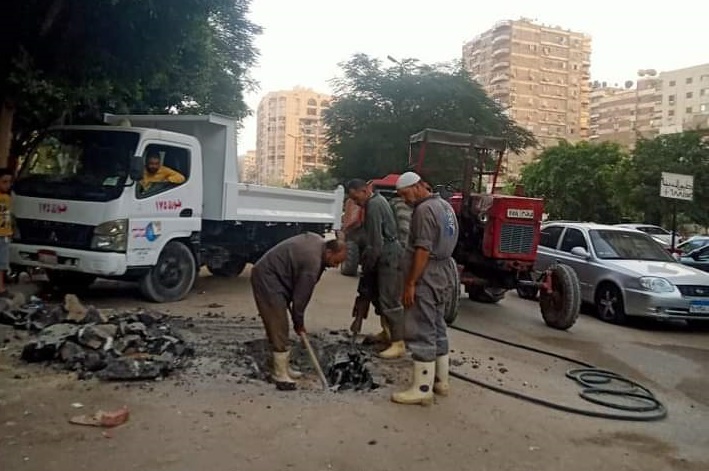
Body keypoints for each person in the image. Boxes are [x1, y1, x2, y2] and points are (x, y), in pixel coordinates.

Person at [391, 171, 459, 406]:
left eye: (405, 194)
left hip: (427, 273)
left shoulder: (423, 210)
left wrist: (411, 282)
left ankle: (422, 389)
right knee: (438, 326)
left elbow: (423, 249)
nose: (405, 200)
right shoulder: (445, 206)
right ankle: (441, 381)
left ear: (418, 186)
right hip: (445, 270)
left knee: (422, 327)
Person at [250, 233, 347, 390]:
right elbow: (301, 298)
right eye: (336, 262)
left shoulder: (319, 244)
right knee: (278, 324)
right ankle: (279, 373)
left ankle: (283, 367)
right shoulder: (312, 262)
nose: (335, 266)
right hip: (267, 278)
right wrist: (299, 322)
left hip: (278, 277)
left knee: (279, 324)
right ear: (329, 252)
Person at [346, 178, 406, 359]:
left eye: (356, 198)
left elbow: (375, 242)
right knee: (379, 298)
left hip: (388, 256)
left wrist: (368, 266)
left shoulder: (373, 206)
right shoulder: (379, 200)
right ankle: (387, 333)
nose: (356, 203)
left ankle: (398, 342)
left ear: (364, 191)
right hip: (387, 252)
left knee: (389, 299)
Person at [0, 169, 13, 297]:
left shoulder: (7, 198)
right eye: (4, 182)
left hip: (4, 234)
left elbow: (7, 217)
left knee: (2, 263)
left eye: (9, 182)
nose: (8, 185)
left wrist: (9, 232)